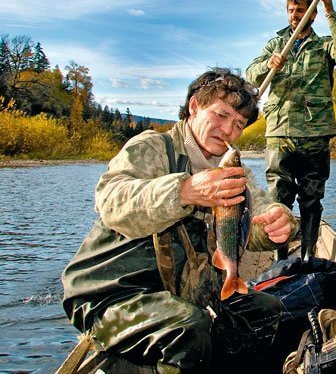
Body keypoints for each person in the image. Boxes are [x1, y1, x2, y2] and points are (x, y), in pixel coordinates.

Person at [61, 68, 298, 372]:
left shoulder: (235, 172)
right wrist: (184, 191)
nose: (228, 130)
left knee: (266, 310)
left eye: (238, 124)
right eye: (221, 115)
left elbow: (260, 214)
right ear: (195, 106)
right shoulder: (151, 148)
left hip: (186, 296)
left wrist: (279, 222)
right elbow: (110, 200)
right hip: (109, 296)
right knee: (189, 326)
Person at [245, 0, 336, 261]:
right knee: (278, 198)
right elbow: (251, 75)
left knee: (311, 198)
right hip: (279, 132)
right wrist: (268, 65)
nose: (295, 15)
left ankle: (307, 256)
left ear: (313, 14)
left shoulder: (323, 45)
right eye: (291, 11)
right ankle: (279, 259)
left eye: (301, 10)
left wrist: (331, 9)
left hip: (315, 133)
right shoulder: (275, 43)